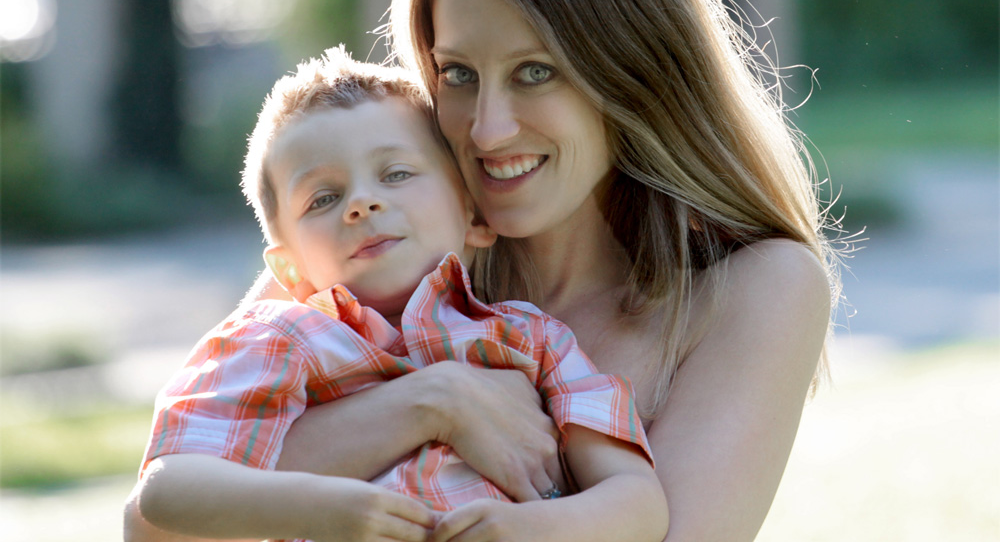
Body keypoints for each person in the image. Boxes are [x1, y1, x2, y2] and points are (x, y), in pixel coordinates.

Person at [126, 0, 840, 542]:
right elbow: (155, 528)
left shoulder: (756, 288)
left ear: (633, 71)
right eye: (459, 75)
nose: (488, 130)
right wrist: (432, 404)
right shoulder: (377, 239)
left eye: (535, 72)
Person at [131, 47, 668, 542]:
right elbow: (166, 488)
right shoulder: (276, 340)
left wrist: (535, 528)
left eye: (396, 173)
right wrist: (317, 505)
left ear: (474, 214)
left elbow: (638, 500)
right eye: (323, 199)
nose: (362, 203)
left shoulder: (534, 339)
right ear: (289, 268)